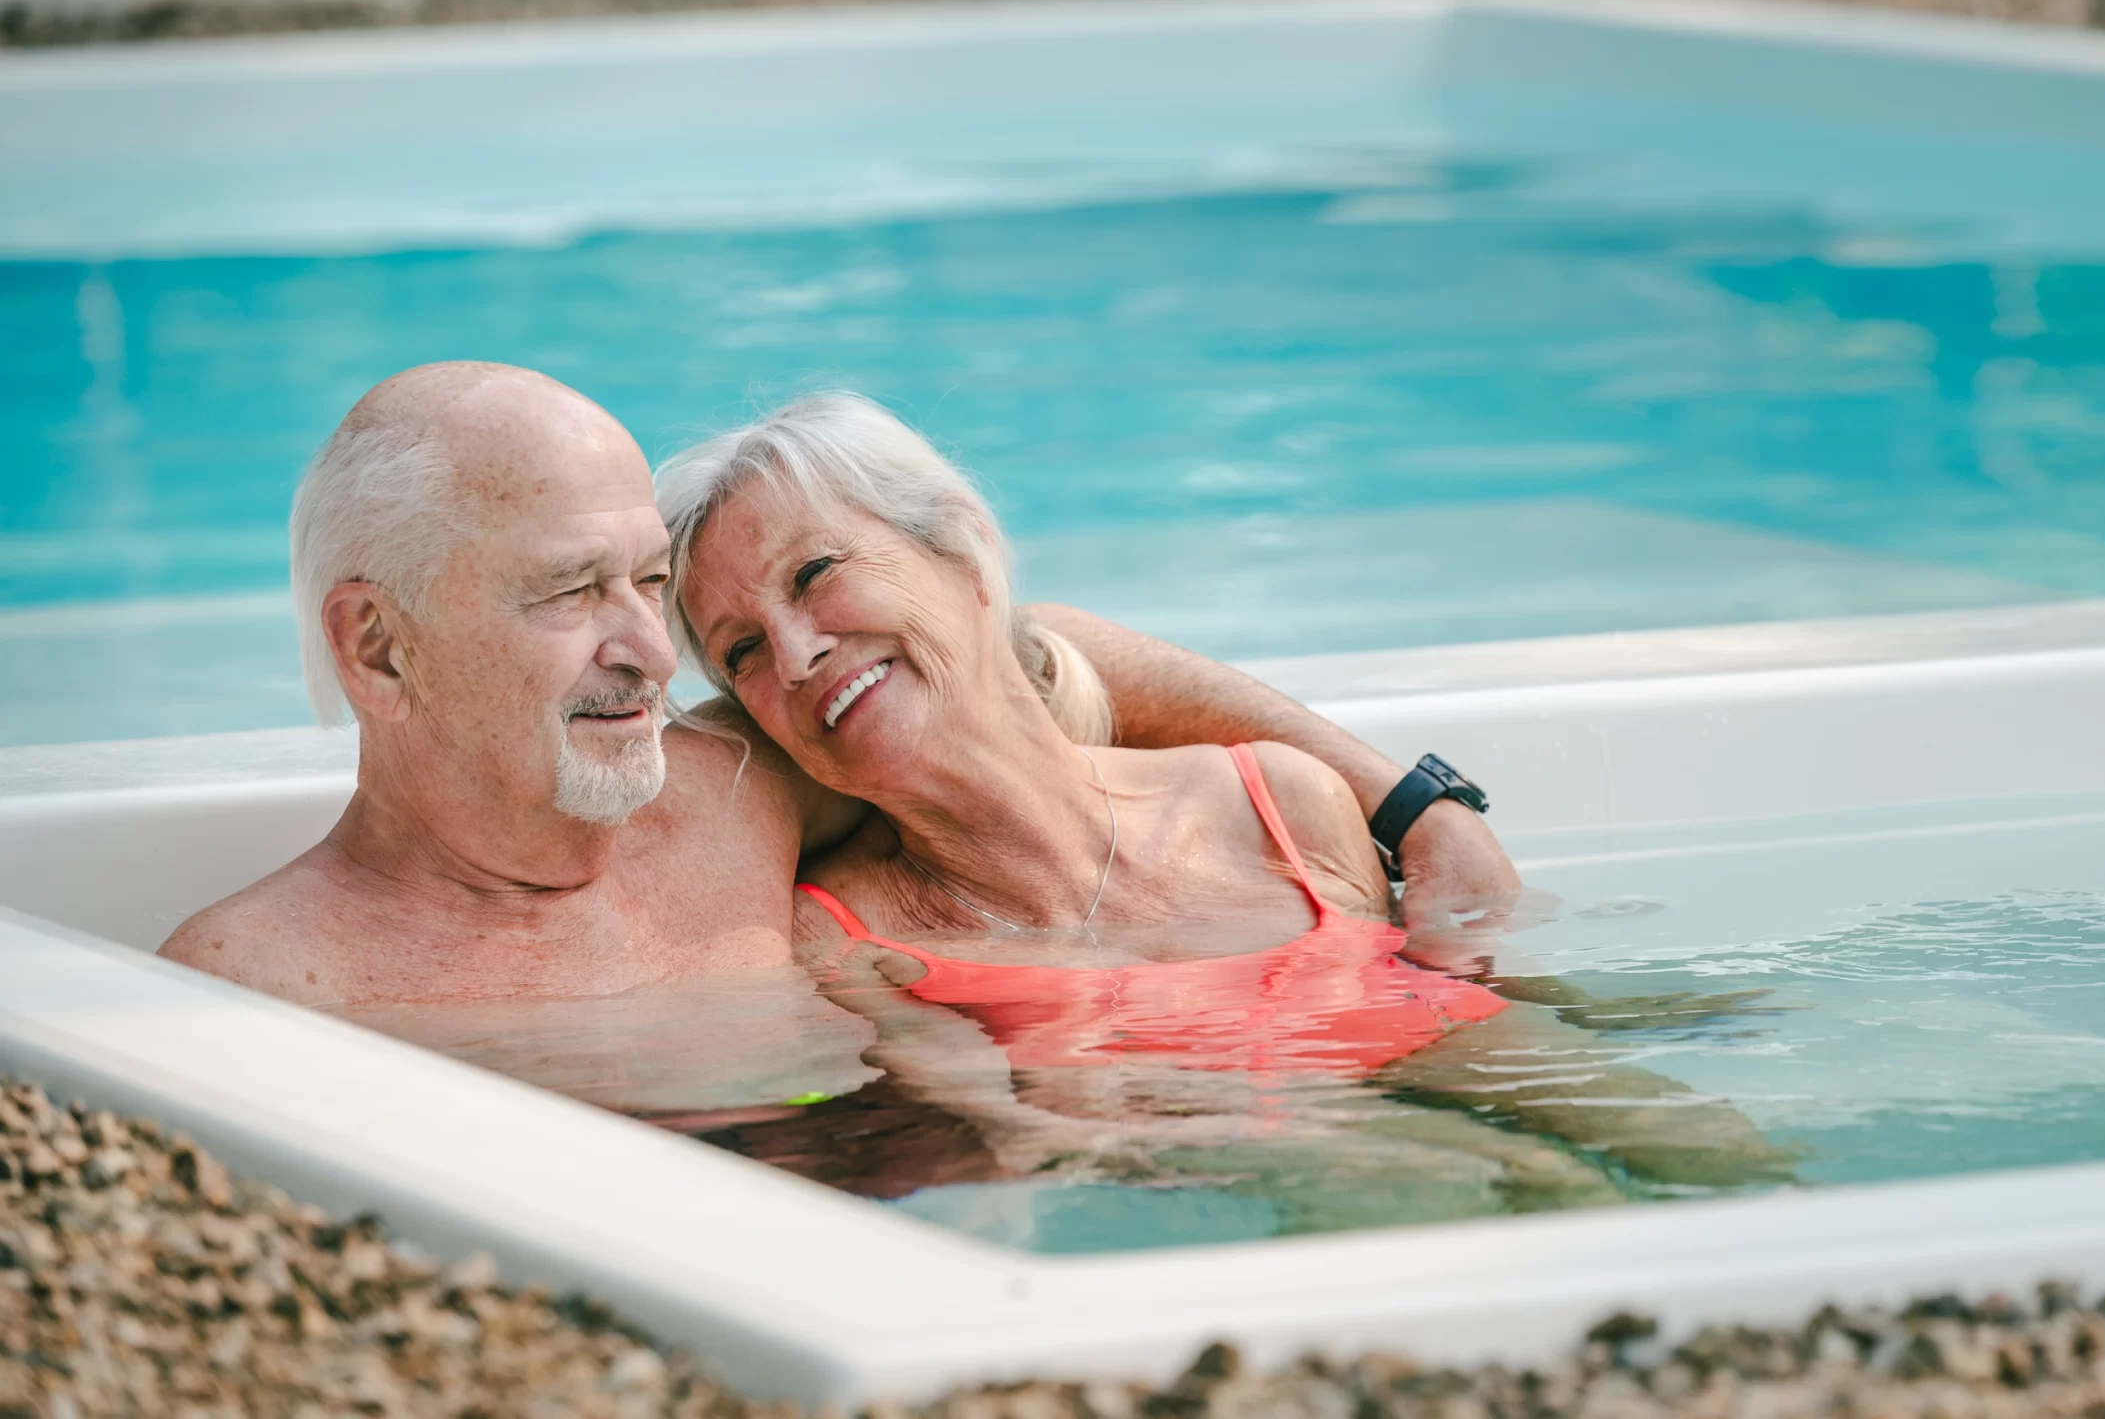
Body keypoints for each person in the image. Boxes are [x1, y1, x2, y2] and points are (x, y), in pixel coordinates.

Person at [661, 392, 1790, 1194]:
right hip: (1284, 1177)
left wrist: (1599, 1009)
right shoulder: (845, 934)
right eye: (742, 651)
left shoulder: (1277, 801)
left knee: (1725, 1160)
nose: (798, 650)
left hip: (1440, 1082)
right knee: (1472, 1182)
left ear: (962, 554)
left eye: (817, 574)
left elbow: (1437, 991)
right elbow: (1008, 1133)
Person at [157, 364, 1516, 1029]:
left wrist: (1415, 799)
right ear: (379, 650)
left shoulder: (724, 797)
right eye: (574, 591)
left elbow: (1020, 655)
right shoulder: (264, 978)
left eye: (649, 582)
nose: (649, 646)